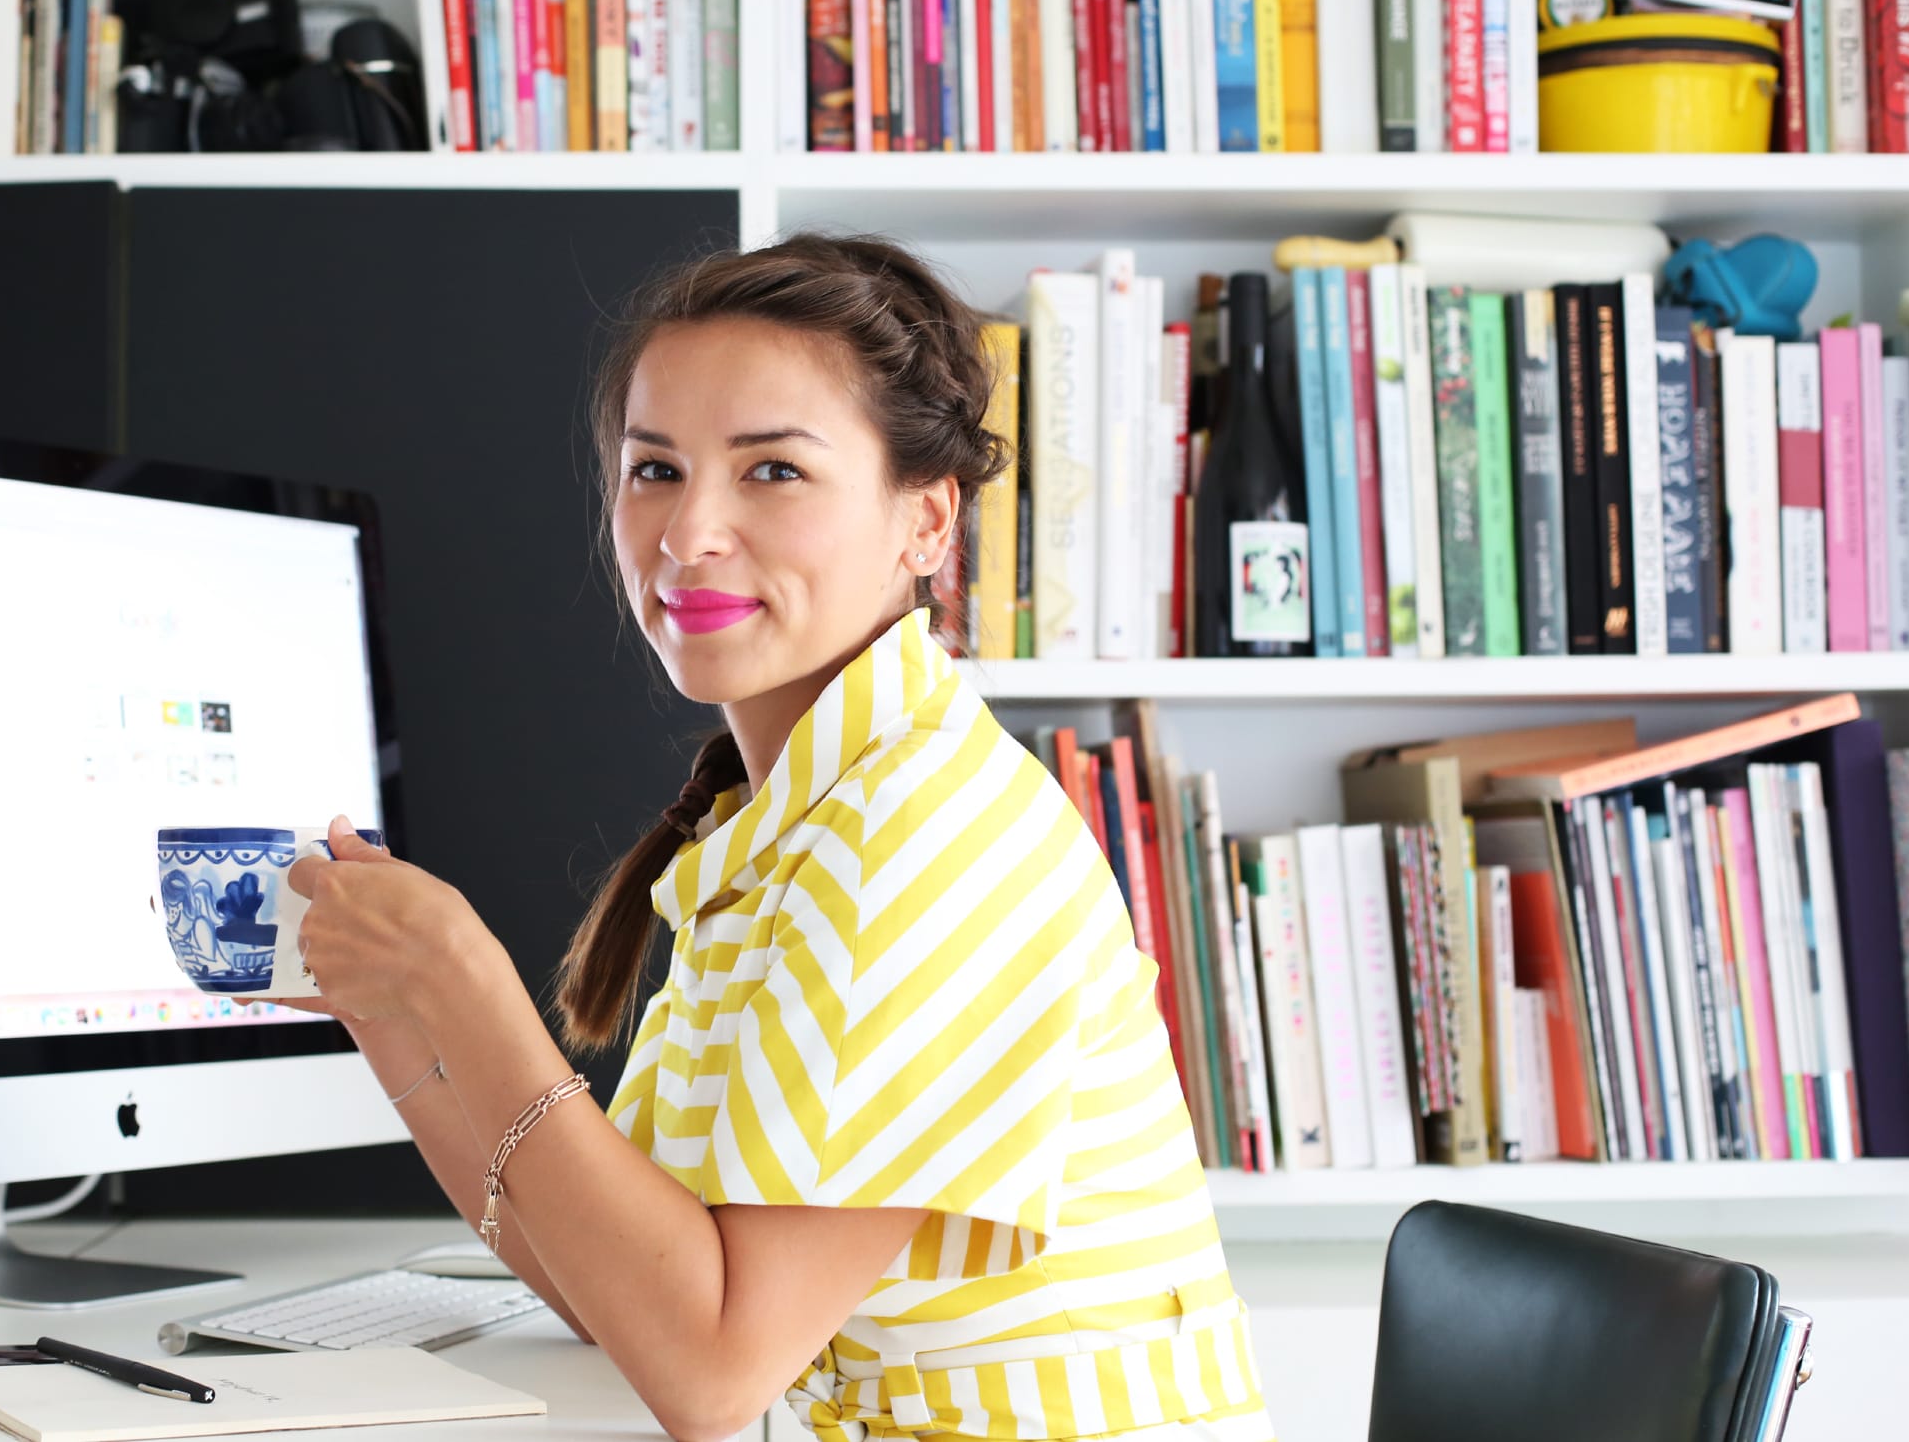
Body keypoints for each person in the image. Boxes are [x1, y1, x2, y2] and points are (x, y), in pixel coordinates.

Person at [282, 233, 1273, 1442]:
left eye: (772, 472)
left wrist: (466, 980)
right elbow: (611, 1292)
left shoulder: (917, 836)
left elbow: (707, 1374)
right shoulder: (791, 821)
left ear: (925, 520)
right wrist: (397, 1011)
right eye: (655, 468)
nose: (689, 531)